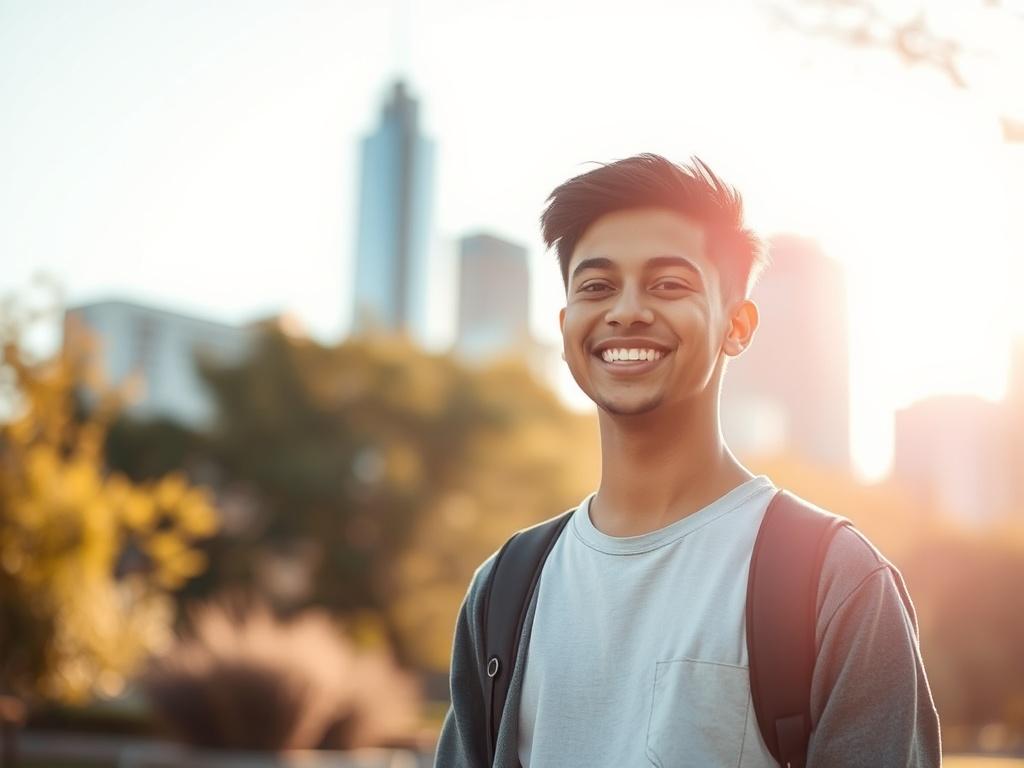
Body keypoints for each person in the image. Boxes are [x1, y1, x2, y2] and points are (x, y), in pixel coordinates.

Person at [434, 154, 941, 767]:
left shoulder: (834, 580)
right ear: (567, 327)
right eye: (596, 286)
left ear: (738, 325)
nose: (625, 310)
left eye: (668, 284)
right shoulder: (505, 587)